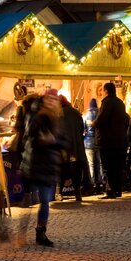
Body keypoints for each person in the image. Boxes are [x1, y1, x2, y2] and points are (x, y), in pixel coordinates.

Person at [17, 92, 66, 247]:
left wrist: (54, 141)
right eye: (49, 99)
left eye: (54, 99)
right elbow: (29, 135)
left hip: (48, 165)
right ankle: (21, 233)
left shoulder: (57, 119)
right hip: (33, 164)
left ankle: (41, 233)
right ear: (43, 100)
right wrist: (42, 139)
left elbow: (64, 141)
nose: (52, 102)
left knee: (44, 201)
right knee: (29, 201)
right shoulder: (34, 115)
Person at [95, 83, 129, 198]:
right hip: (119, 140)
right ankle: (118, 190)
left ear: (105, 91)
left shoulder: (107, 103)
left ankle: (110, 190)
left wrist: (94, 123)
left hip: (107, 140)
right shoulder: (120, 103)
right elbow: (125, 119)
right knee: (117, 166)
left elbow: (101, 119)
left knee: (108, 167)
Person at [58, 94, 89, 201]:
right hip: (77, 147)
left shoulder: (59, 114)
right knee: (77, 170)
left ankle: (59, 193)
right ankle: (77, 193)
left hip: (64, 148)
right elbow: (82, 128)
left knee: (62, 170)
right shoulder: (76, 112)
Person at [83, 98, 101, 193]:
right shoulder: (99, 114)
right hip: (98, 142)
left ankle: (92, 184)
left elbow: (83, 128)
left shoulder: (86, 115)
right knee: (99, 164)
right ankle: (99, 184)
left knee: (91, 164)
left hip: (88, 142)